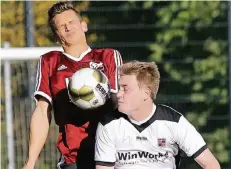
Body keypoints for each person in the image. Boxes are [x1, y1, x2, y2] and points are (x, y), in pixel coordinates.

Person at [23, 1, 122, 169]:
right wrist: (30, 161)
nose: (68, 28)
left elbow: (122, 103)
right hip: (73, 159)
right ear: (55, 36)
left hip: (112, 155)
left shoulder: (108, 57)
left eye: (71, 22)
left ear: (84, 25)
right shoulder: (50, 62)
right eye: (61, 26)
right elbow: (42, 111)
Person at [95, 61, 220, 169]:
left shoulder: (174, 122)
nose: (118, 94)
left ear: (146, 93)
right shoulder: (108, 124)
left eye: (125, 89)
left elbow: (211, 164)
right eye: (119, 88)